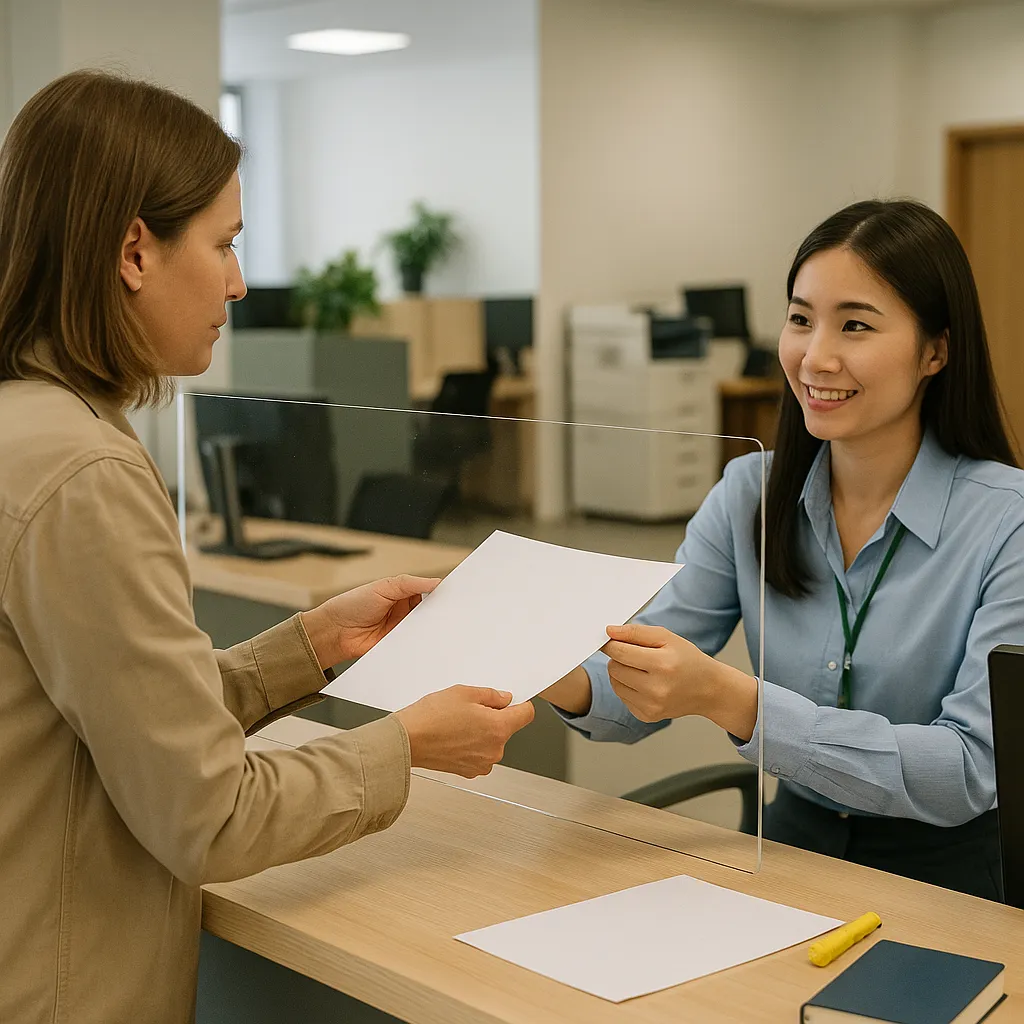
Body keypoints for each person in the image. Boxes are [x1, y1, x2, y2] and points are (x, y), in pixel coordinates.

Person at [0, 70, 535, 1023]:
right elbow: (208, 814)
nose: (239, 282)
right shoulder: (84, 475)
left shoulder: (26, 426)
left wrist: (310, 645)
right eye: (224, 244)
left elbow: (113, 720)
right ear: (134, 250)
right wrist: (406, 745)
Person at [542, 199, 1024, 901]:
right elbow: (638, 673)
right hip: (790, 853)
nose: (814, 356)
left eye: (855, 325)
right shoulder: (749, 493)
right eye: (800, 319)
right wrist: (525, 659)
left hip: (950, 878)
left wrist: (736, 700)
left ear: (935, 351)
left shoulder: (1007, 521)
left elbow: (969, 768)